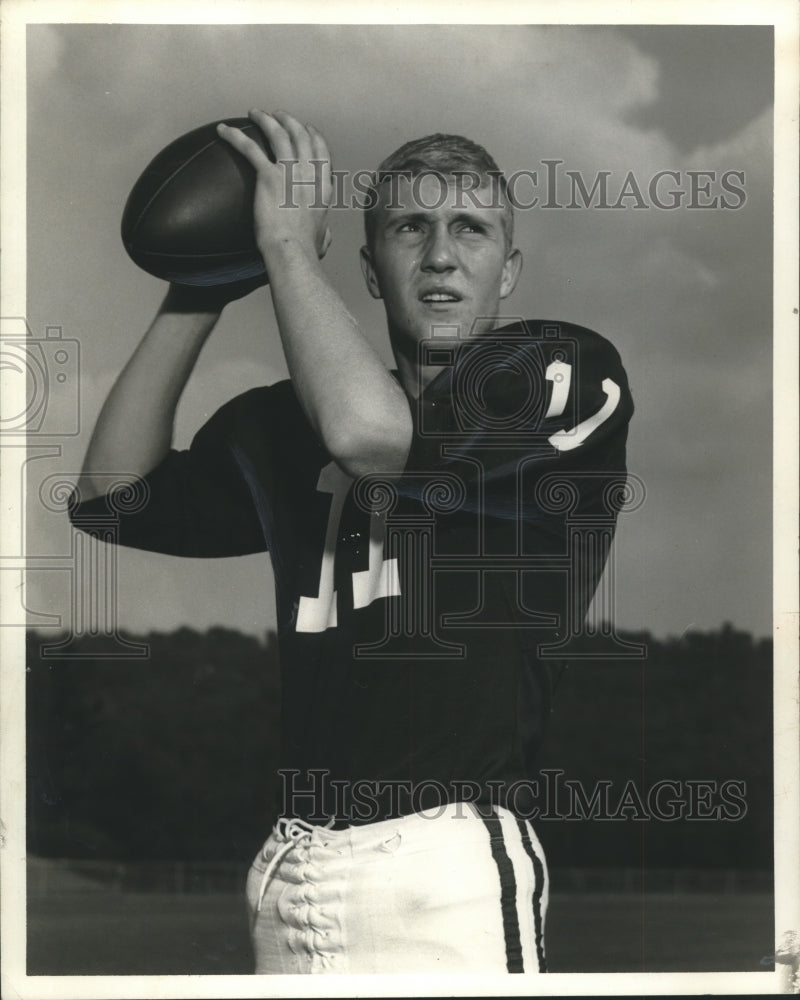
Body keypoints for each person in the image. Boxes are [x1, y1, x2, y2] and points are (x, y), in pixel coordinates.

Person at [69, 109, 633, 974]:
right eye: (410, 228)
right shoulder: (290, 422)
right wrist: (204, 284)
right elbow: (112, 499)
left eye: (470, 230)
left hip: (443, 863)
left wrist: (288, 250)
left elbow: (370, 439)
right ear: (370, 272)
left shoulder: (555, 368)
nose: (440, 255)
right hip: (291, 864)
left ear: (508, 269)